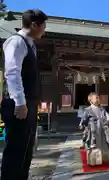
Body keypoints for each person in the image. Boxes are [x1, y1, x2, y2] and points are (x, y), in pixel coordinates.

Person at [0, 10, 47, 180]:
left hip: (29, 103)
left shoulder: (30, 45)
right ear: (34, 25)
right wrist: (20, 103)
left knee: (27, 149)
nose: (44, 30)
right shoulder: (16, 42)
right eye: (43, 26)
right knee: (16, 151)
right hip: (19, 104)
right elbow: (12, 73)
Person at [81, 92, 109, 165]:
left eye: (98, 98)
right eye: (96, 98)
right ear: (91, 100)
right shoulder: (87, 110)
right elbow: (84, 120)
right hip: (93, 130)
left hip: (102, 129)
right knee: (94, 144)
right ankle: (94, 161)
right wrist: (83, 126)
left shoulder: (102, 109)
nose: (98, 99)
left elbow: (108, 118)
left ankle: (104, 159)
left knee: (103, 144)